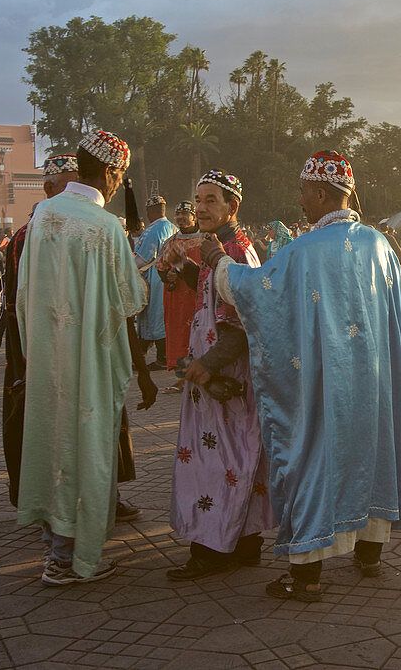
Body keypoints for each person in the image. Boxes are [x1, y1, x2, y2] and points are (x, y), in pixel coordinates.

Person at [200, 149, 401, 602]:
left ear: (319, 192)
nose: (300, 201)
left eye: (302, 192)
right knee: (372, 452)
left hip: (325, 382)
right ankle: (371, 550)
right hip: (373, 382)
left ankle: (307, 576)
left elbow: (256, 293)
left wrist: (219, 261)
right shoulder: (381, 246)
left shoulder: (303, 251)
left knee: (316, 456)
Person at [16, 130, 152, 586]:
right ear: (111, 172)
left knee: (52, 441)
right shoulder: (105, 226)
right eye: (121, 176)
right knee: (88, 449)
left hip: (48, 355)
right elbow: (128, 302)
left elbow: (23, 292)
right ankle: (73, 557)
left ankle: (54, 542)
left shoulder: (42, 216)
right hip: (89, 363)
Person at [162, 171, 275, 580]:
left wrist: (205, 365)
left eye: (212, 200)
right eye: (198, 199)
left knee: (217, 464)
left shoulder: (235, 252)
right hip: (224, 377)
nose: (202, 207)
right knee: (239, 460)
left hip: (226, 380)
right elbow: (217, 295)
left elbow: (242, 324)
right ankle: (244, 543)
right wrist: (185, 271)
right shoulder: (218, 249)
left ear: (233, 206)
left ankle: (210, 551)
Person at [156, 200, 204, 394]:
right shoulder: (172, 242)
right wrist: (167, 276)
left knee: (198, 334)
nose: (181, 218)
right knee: (179, 336)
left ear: (194, 216)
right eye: (179, 215)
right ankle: (182, 378)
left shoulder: (206, 239)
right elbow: (161, 269)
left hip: (197, 297)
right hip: (177, 299)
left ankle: (200, 375)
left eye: (186, 214)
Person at [134, 194, 177, 370]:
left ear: (150, 211)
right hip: (166, 277)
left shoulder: (154, 230)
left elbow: (143, 258)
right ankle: (142, 353)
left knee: (154, 316)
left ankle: (161, 357)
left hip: (155, 277)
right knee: (158, 315)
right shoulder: (172, 227)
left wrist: (128, 270)